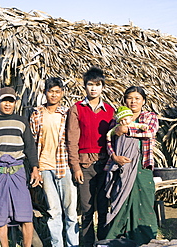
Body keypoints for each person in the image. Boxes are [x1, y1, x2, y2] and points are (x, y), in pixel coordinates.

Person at [0, 87, 41, 247]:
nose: (7, 104)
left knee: (25, 214)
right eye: (4, 100)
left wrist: (35, 168)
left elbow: (30, 147)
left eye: (10, 101)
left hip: (17, 171)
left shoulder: (21, 122)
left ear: (15, 103)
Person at [66, 67, 115, 247]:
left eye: (97, 85)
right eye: (90, 85)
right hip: (84, 166)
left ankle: (103, 243)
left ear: (103, 87)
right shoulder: (77, 109)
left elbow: (114, 138)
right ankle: (87, 244)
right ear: (84, 87)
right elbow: (72, 140)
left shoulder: (110, 111)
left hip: (105, 166)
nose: (93, 88)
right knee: (86, 210)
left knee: (103, 208)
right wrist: (76, 167)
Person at [105, 86, 158, 245]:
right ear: (124, 100)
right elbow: (109, 141)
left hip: (142, 166)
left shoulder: (149, 117)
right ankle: (117, 237)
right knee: (121, 199)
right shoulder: (116, 120)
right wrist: (114, 157)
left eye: (137, 98)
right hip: (122, 167)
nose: (133, 101)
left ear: (143, 101)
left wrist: (126, 130)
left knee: (144, 200)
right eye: (129, 98)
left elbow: (150, 132)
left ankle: (146, 238)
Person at [30, 77, 79, 247]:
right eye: (51, 91)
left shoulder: (68, 114)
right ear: (45, 93)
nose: (54, 94)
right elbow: (32, 143)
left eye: (57, 91)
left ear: (62, 94)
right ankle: (57, 244)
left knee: (71, 212)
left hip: (65, 166)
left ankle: (73, 244)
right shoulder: (37, 114)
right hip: (45, 167)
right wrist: (35, 168)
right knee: (54, 211)